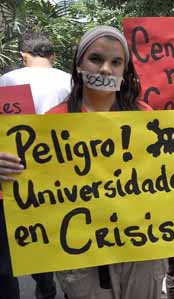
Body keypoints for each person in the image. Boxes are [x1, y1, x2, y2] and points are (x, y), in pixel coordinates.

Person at [0, 25, 174, 299]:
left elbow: (166, 178)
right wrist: (9, 170)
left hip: (142, 250)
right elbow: (35, 192)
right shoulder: (52, 124)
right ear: (79, 64)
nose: (106, 69)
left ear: (125, 71)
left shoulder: (145, 117)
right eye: (96, 59)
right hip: (80, 257)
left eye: (116, 62)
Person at [0, 31, 71, 299]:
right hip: (64, 176)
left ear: (23, 56)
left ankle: (44, 286)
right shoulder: (69, 81)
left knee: (22, 244)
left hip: (16, 176)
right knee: (65, 237)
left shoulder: (7, 80)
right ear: (52, 55)